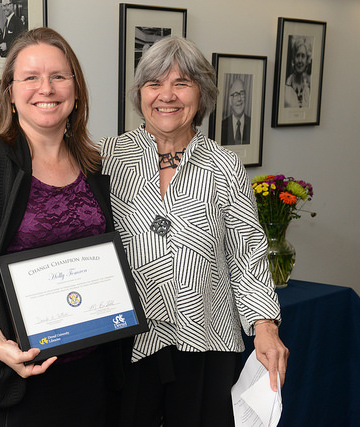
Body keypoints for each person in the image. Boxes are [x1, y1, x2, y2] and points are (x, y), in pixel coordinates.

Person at [0, 27, 127, 427]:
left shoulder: (95, 167)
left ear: (76, 90)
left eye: (59, 76)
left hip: (88, 373)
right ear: (10, 92)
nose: (47, 88)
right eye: (31, 77)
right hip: (11, 375)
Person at [100, 36, 289, 426]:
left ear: (201, 95)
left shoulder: (225, 165)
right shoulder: (107, 158)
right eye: (154, 83)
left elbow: (247, 255)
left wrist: (265, 326)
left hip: (207, 339)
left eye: (181, 83)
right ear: (140, 95)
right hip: (128, 341)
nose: (166, 95)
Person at [221, 77, 251, 145]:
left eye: (242, 93)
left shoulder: (253, 125)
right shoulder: (222, 126)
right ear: (230, 101)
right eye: (235, 94)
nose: (239, 99)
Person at [284, 37, 311, 108]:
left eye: (303, 56)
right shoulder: (286, 86)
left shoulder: (309, 87)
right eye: (297, 55)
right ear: (293, 59)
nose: (300, 60)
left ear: (307, 60)